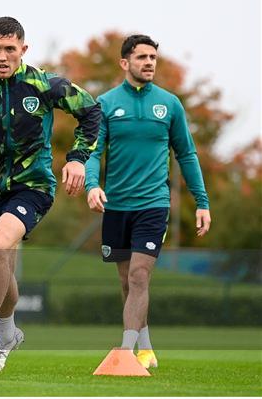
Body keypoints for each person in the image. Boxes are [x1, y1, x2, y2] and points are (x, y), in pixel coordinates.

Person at [0, 16, 101, 371]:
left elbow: (91, 112)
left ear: (23, 50)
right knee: (0, 267)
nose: (2, 56)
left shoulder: (44, 84)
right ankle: (9, 335)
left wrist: (77, 159)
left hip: (33, 187)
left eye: (9, 49)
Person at [84, 35, 211, 368]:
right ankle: (146, 345)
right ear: (125, 63)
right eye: (142, 57)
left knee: (140, 276)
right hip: (115, 206)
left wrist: (202, 201)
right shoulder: (105, 104)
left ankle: (126, 352)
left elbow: (187, 153)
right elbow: (94, 152)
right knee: (127, 282)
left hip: (154, 205)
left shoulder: (169, 104)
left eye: (153, 57)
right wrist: (92, 186)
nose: (150, 62)